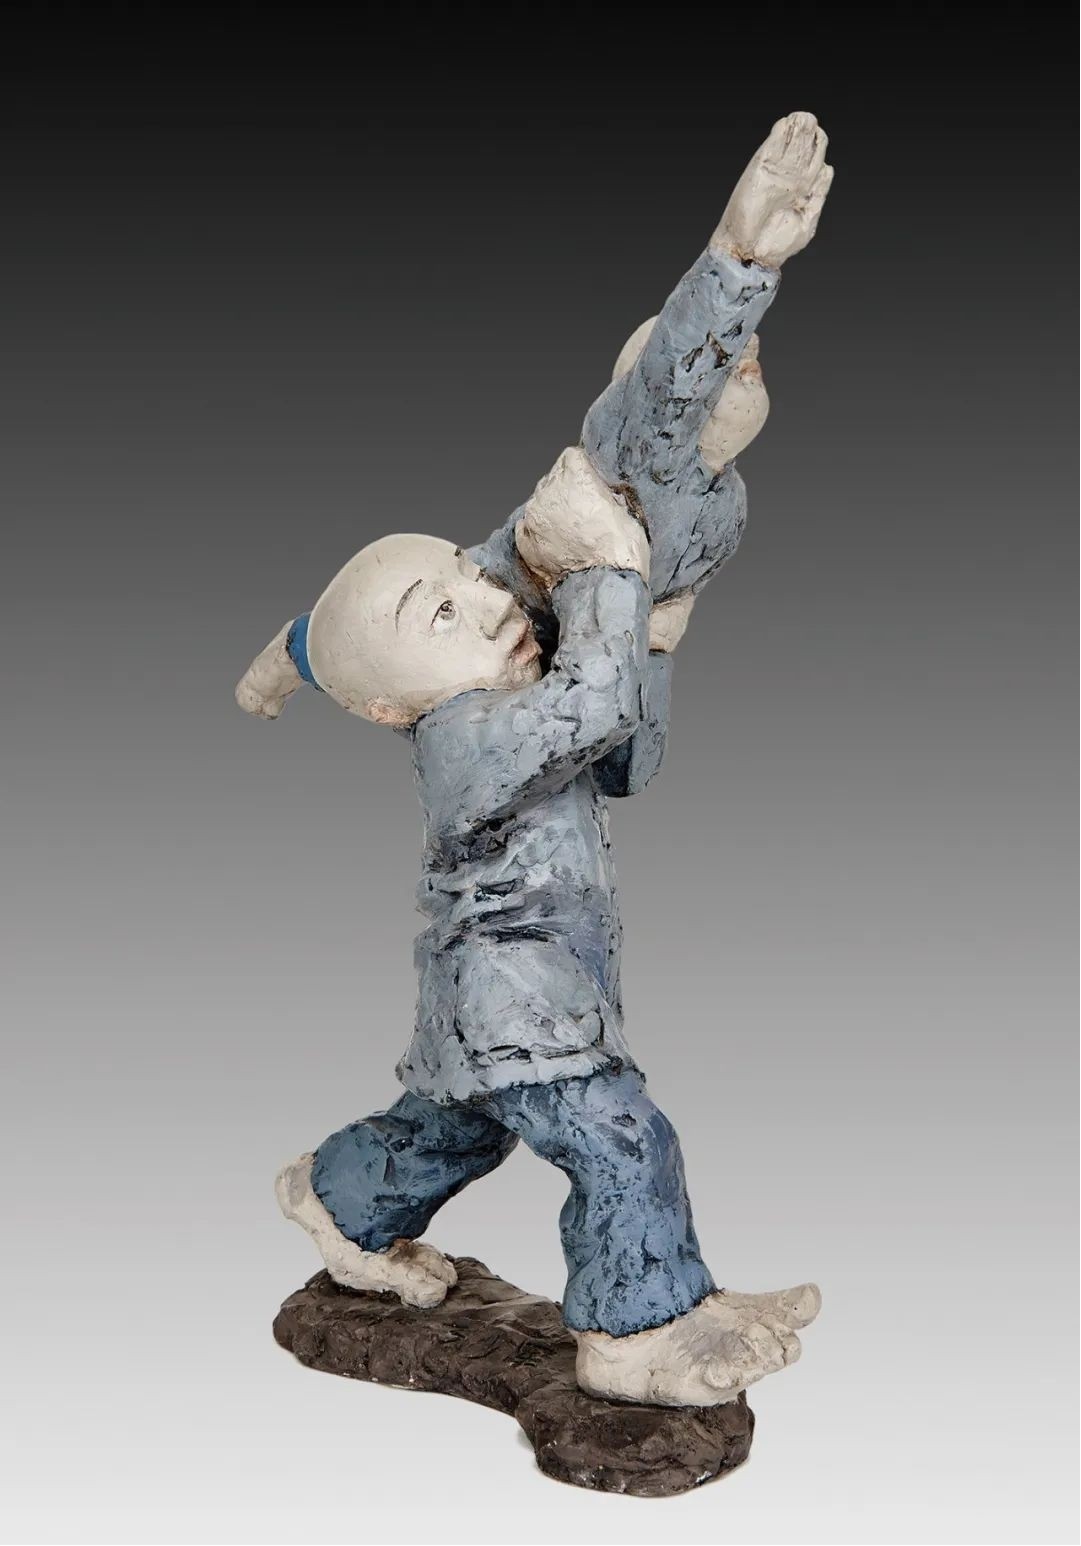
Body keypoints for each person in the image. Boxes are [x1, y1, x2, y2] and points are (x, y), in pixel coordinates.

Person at [236, 113, 832, 1407]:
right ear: (392, 707)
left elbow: (622, 762)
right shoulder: (462, 736)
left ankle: (339, 1197)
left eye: (467, 582)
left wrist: (649, 629)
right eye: (441, 613)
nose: (487, 596)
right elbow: (593, 698)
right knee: (620, 1138)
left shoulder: (499, 659)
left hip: (512, 992)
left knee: (453, 1128)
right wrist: (613, 576)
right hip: (517, 995)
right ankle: (637, 1328)